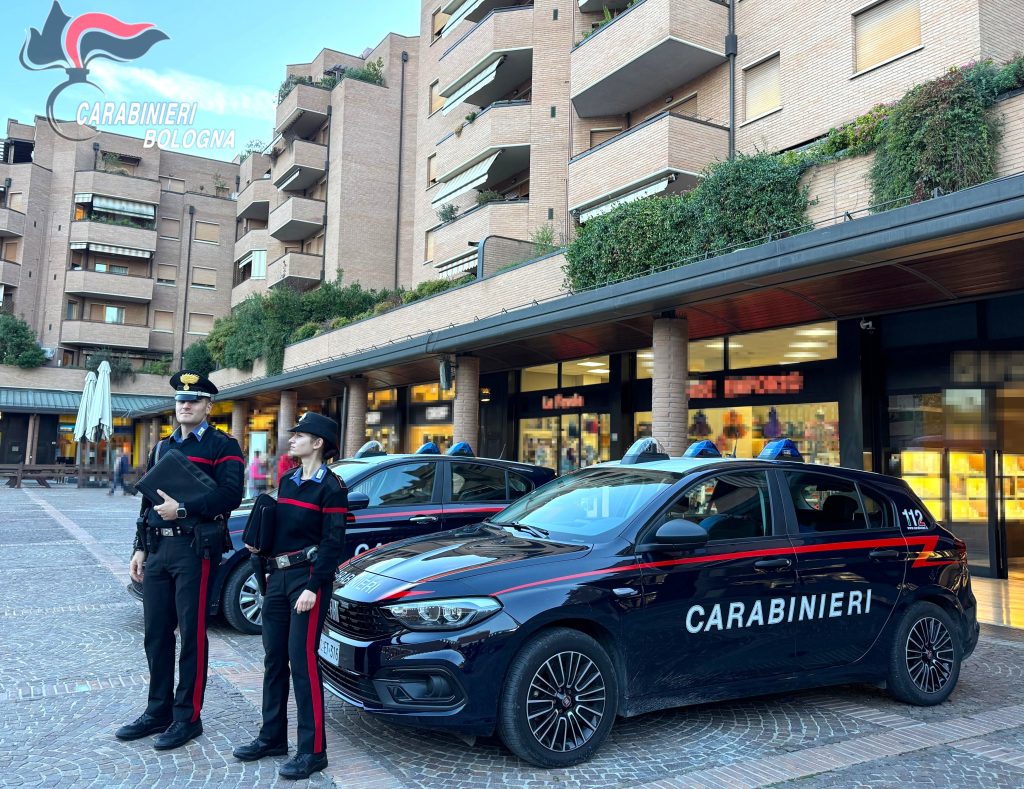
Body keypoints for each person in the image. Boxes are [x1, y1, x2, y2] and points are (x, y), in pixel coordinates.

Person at [116, 370, 244, 750]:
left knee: (191, 636)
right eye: (180, 400)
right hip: (157, 550)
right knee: (155, 634)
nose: (185, 405)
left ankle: (187, 717)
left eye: (194, 400)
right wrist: (139, 547)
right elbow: (147, 501)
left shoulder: (224, 446)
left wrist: (185, 509)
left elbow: (231, 496)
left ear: (208, 406)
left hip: (194, 550)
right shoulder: (162, 447)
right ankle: (158, 710)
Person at [233, 412, 347, 780]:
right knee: (273, 660)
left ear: (318, 444)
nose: (292, 438)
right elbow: (280, 530)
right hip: (279, 578)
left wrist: (314, 587)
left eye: (300, 434)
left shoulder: (332, 487)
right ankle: (271, 737)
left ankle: (313, 751)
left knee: (303, 663)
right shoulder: (288, 480)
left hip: (307, 581)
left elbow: (333, 543)